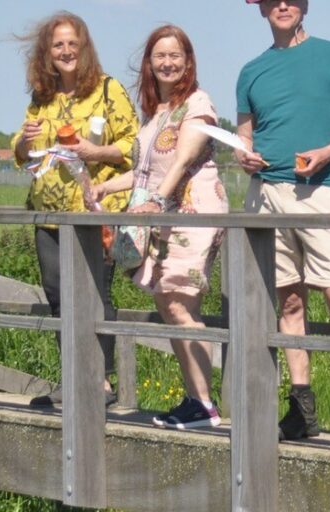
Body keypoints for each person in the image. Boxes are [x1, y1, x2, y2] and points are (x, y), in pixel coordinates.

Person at [236, 0, 330, 444]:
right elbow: (244, 134)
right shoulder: (251, 71)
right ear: (260, 8)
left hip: (320, 192)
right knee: (289, 304)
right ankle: (302, 408)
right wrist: (242, 155)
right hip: (266, 195)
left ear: (305, 5)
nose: (283, 5)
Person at [94, 25, 229, 429]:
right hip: (161, 214)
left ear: (188, 61)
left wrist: (157, 199)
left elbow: (185, 156)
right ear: (149, 64)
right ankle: (196, 400)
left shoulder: (197, 103)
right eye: (160, 56)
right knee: (168, 304)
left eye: (176, 55)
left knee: (178, 302)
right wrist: (106, 185)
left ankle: (205, 404)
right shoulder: (157, 112)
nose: (168, 63)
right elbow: (144, 171)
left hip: (190, 211)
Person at [11, 11, 139, 408]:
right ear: (46, 54)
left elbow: (134, 145)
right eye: (57, 45)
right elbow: (24, 152)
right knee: (58, 297)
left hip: (94, 212)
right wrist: (23, 142)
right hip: (48, 214)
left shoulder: (106, 90)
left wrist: (93, 150)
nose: (65, 51)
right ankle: (73, 378)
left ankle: (98, 382)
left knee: (93, 296)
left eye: (72, 44)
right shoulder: (42, 97)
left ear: (84, 49)